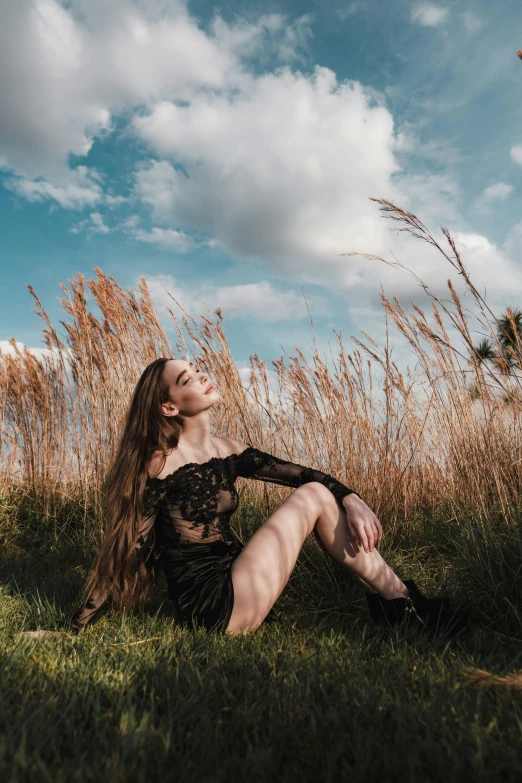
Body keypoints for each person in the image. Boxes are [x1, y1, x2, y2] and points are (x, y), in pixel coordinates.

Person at [67, 357, 466, 637]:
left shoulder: (227, 448)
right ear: (169, 406)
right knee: (313, 496)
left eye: (196, 369)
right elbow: (127, 550)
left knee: (317, 493)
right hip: (214, 604)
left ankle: (400, 603)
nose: (201, 376)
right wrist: (74, 627)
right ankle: (404, 606)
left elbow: (301, 473)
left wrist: (352, 498)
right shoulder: (159, 463)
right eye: (186, 379)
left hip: (238, 577)